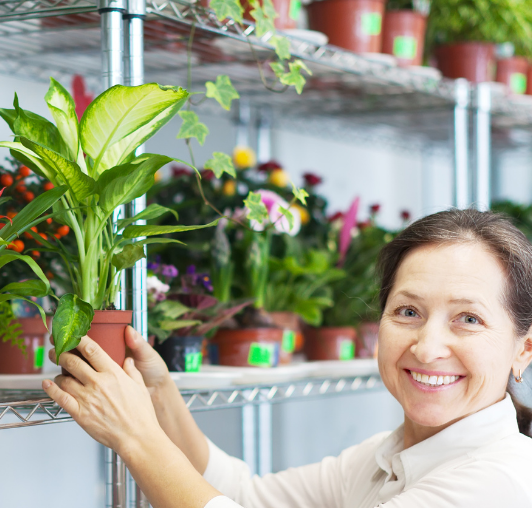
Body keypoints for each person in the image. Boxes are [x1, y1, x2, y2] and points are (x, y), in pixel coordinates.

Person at [43, 209, 532, 507]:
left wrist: (135, 435)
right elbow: (245, 497)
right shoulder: (388, 457)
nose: (426, 347)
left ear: (523, 349)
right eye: (408, 311)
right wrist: (158, 394)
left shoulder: (498, 483)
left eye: (469, 319)